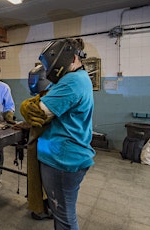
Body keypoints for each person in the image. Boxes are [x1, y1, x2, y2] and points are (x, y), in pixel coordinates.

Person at [20, 38, 95, 229]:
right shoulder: (77, 77)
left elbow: (39, 111)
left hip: (63, 159)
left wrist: (25, 106)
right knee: (61, 211)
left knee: (64, 216)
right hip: (65, 155)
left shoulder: (72, 81)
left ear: (72, 58)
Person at [25, 64, 53, 220]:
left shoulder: (52, 96)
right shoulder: (43, 95)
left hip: (47, 146)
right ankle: (40, 206)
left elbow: (42, 117)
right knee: (39, 179)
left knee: (46, 181)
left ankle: (45, 208)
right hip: (40, 145)